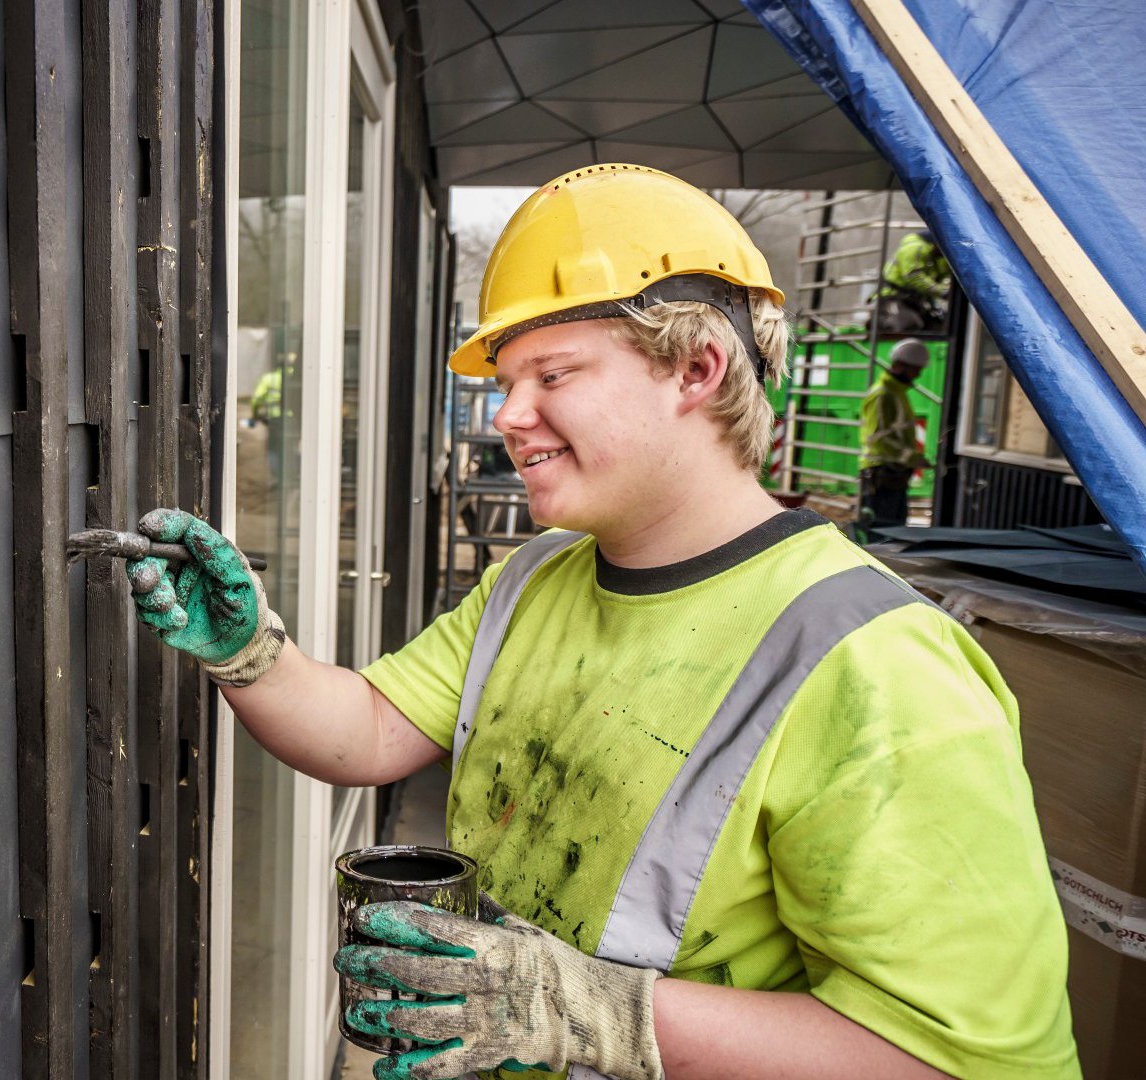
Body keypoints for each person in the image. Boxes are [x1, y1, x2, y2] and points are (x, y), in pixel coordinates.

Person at [120, 165, 1076, 1080]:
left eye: (553, 375)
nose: (509, 413)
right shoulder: (534, 579)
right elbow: (369, 728)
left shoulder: (876, 661)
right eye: (505, 379)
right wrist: (253, 657)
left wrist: (579, 1009)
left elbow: (958, 1059)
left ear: (696, 368)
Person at [858, 338, 931, 537]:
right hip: (881, 475)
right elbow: (876, 439)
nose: (918, 375)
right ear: (899, 366)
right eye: (915, 369)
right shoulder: (883, 394)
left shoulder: (896, 393)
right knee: (881, 533)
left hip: (892, 475)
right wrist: (912, 457)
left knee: (892, 531)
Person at [874, 231, 951, 335]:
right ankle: (878, 322)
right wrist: (940, 291)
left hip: (917, 301)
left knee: (938, 327)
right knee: (907, 324)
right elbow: (914, 276)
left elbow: (943, 276)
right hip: (893, 297)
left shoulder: (939, 257)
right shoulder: (915, 248)